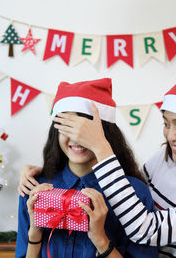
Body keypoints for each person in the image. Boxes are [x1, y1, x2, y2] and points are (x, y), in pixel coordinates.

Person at [19, 58, 176, 258]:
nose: (170, 135)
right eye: (166, 124)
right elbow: (122, 182)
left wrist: (100, 144)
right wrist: (50, 172)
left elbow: (144, 229)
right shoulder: (166, 161)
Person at [15, 78, 158, 258]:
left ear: (105, 132)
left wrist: (100, 239)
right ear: (56, 131)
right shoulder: (34, 188)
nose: (76, 138)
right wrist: (35, 233)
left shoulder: (134, 193)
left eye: (85, 129)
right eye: (67, 127)